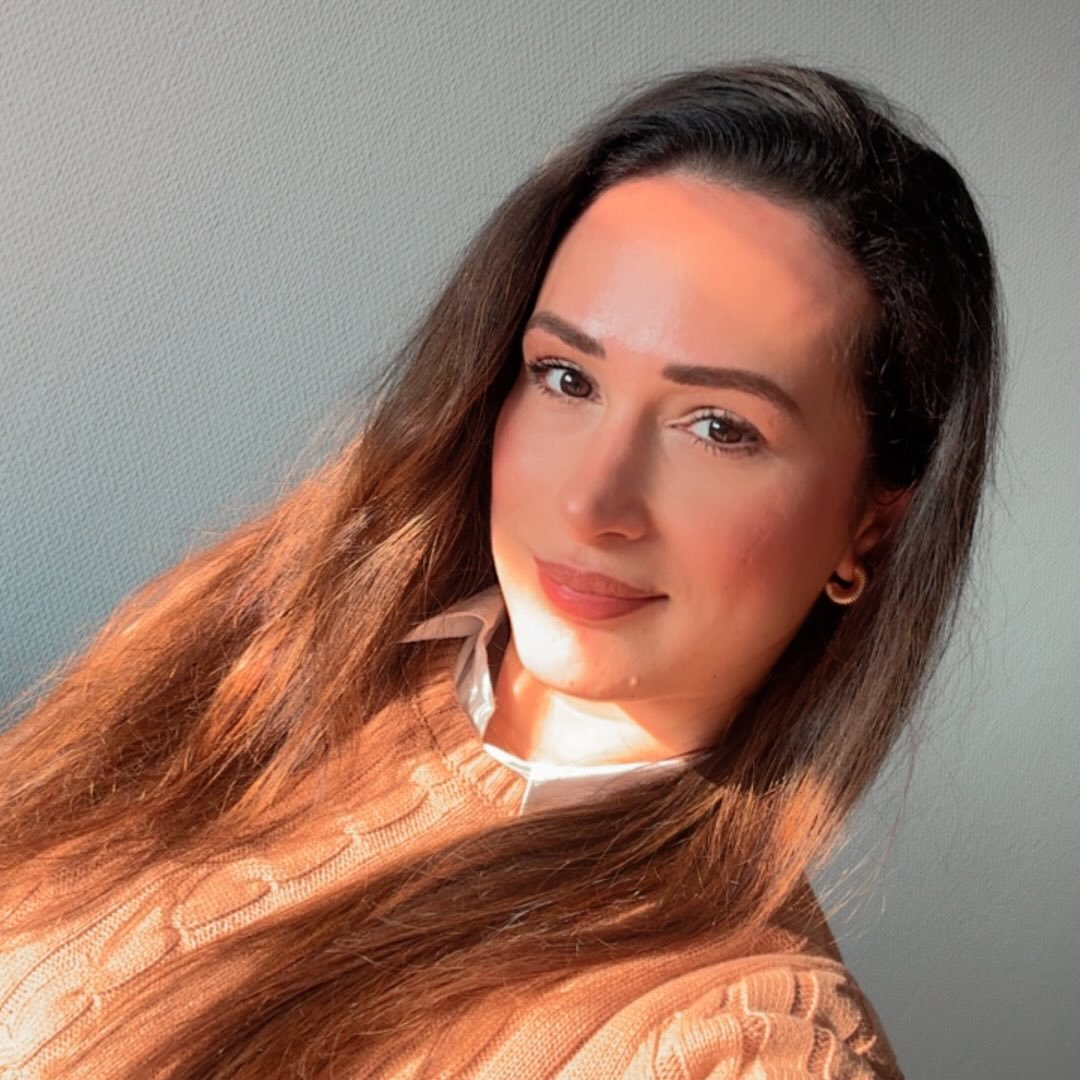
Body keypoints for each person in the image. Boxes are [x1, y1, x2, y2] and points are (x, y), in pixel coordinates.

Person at [0, 60, 1001, 1078]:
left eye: (719, 427)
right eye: (567, 377)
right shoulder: (260, 634)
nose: (590, 505)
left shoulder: (749, 1045)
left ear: (869, 525)